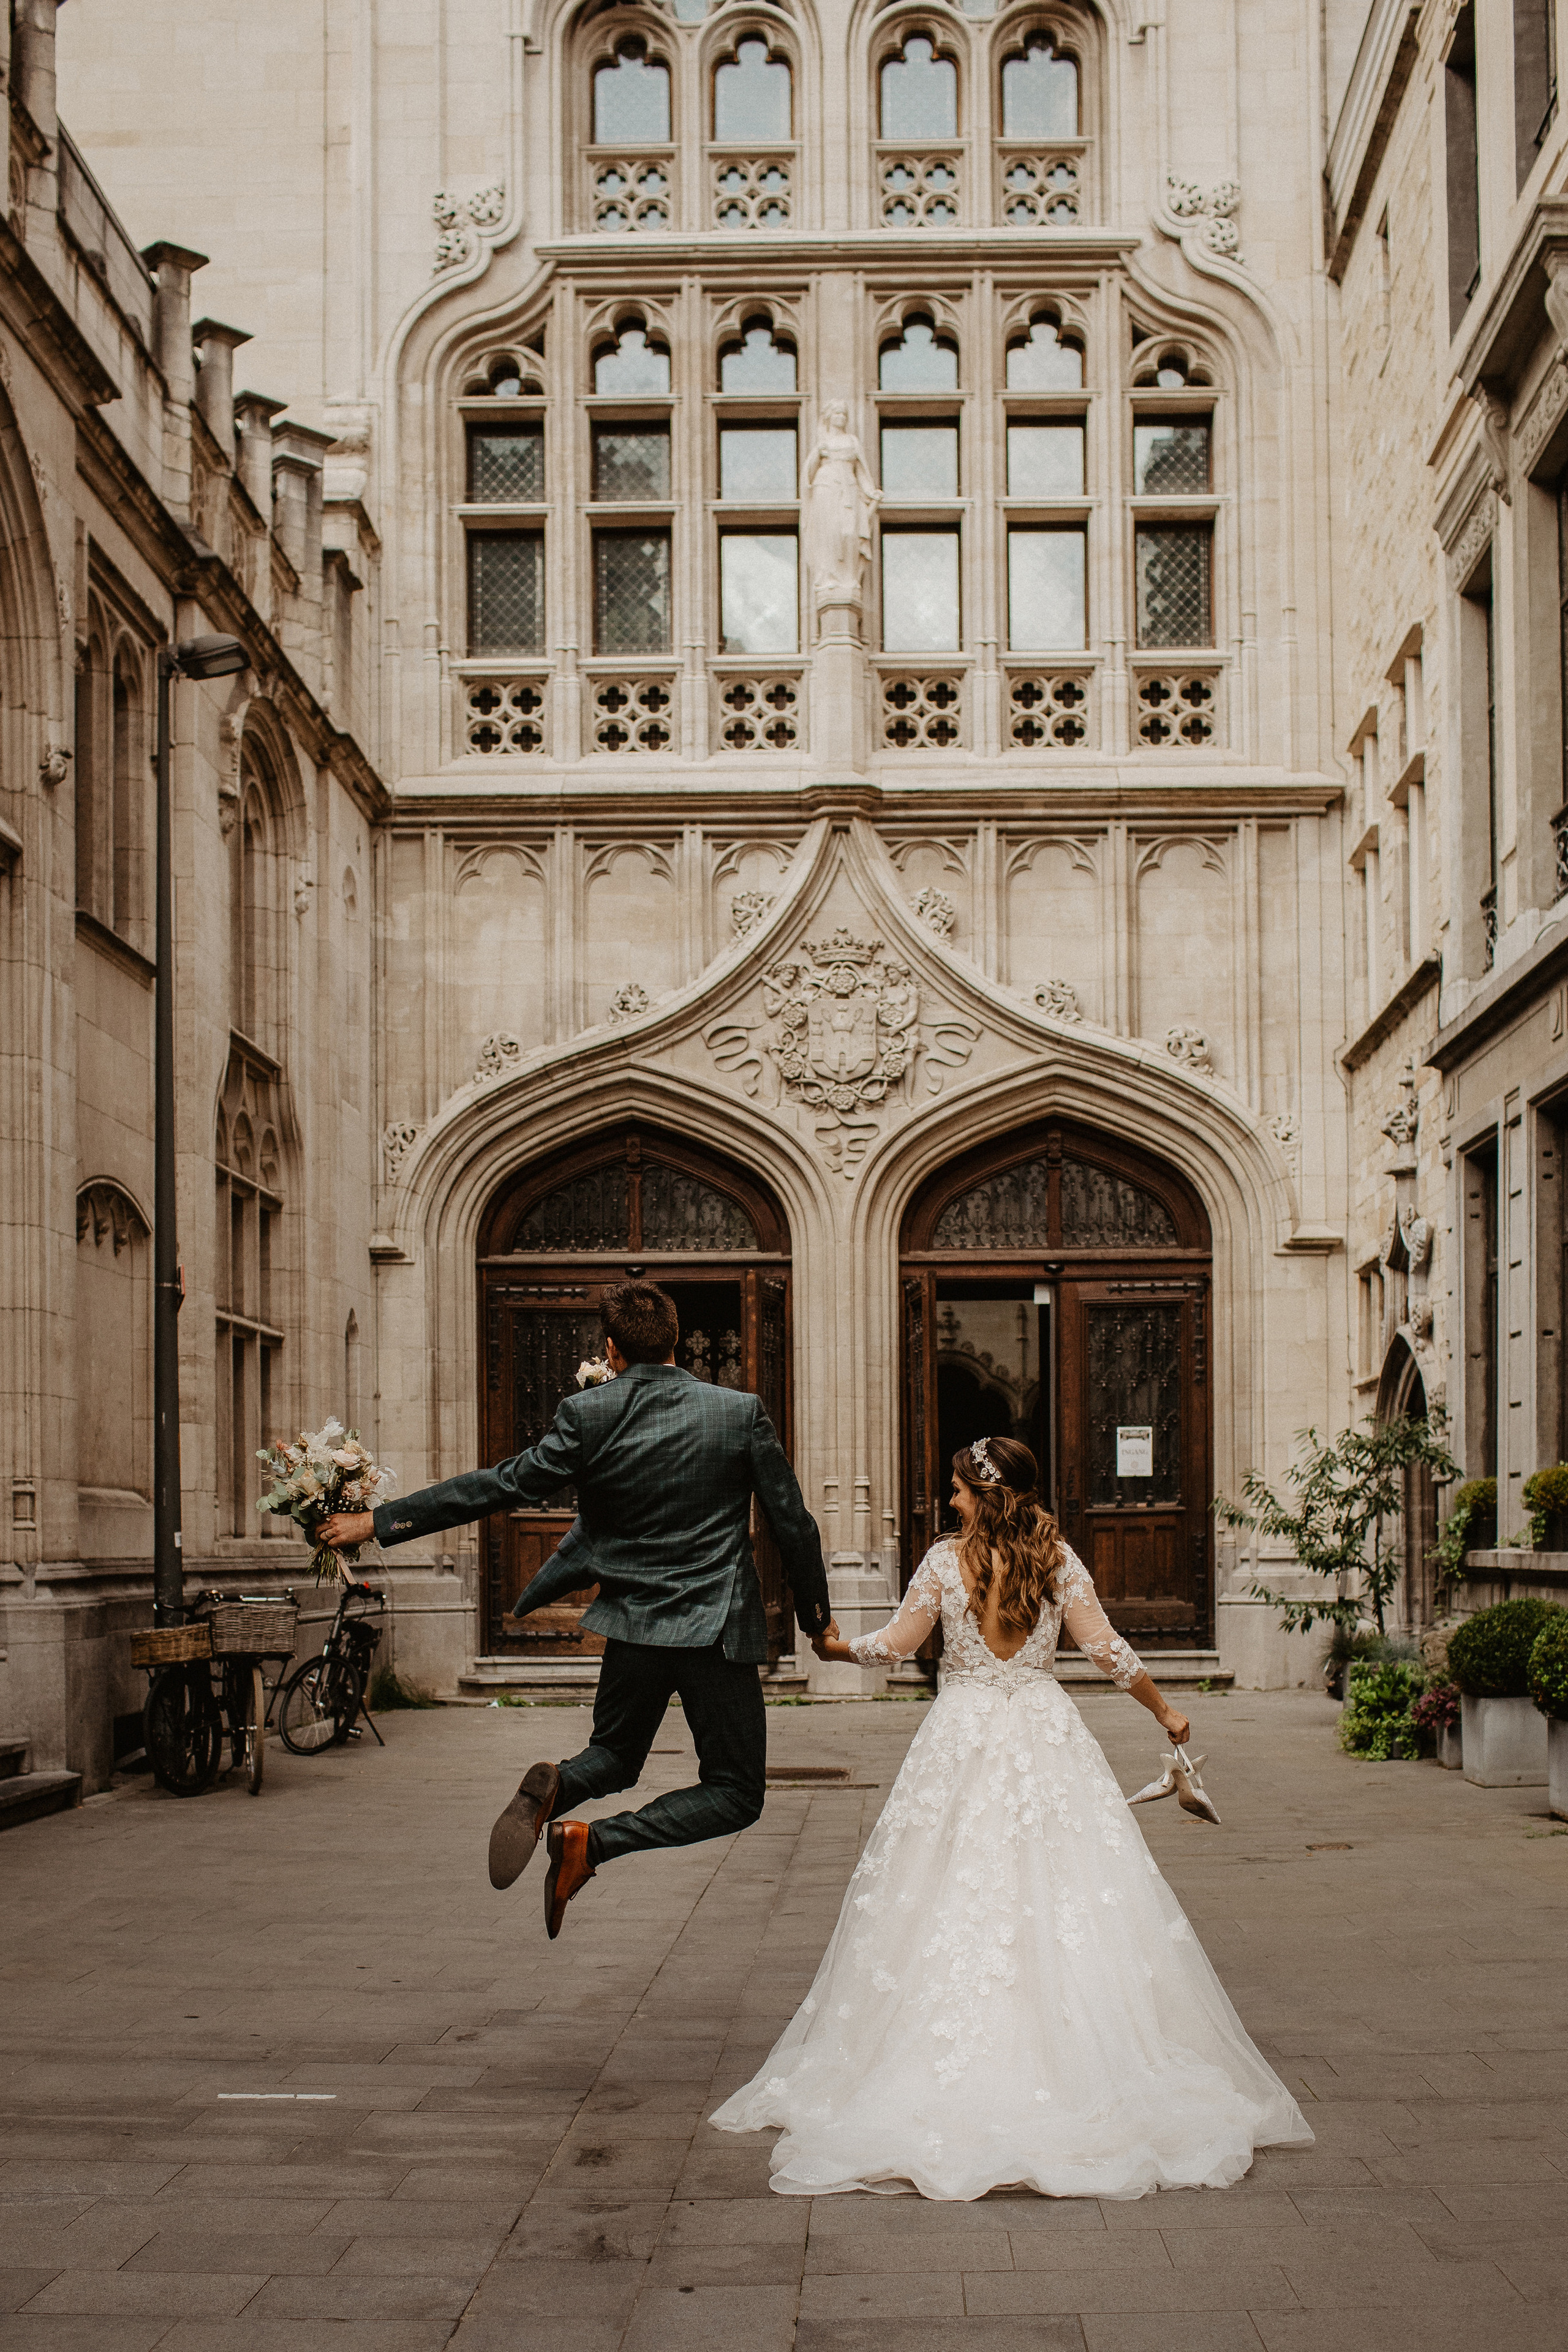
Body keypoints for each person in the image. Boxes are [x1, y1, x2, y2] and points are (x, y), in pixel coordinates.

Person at [710, 1435, 1313, 2199]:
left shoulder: (943, 1562)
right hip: (1042, 1730)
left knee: (944, 1881)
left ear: (985, 1495)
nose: (950, 1499)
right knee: (1068, 1885)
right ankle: (1079, 2051)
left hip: (959, 1734)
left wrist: (834, 1649)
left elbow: (895, 1645)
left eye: (959, 1489)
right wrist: (1165, 1711)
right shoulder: (1056, 1559)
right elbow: (1106, 1650)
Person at [319, 1281, 833, 1938]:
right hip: (715, 1630)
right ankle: (591, 1842)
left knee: (614, 1757)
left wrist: (377, 1522)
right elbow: (793, 1523)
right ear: (676, 1339)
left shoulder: (588, 1414)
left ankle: (556, 1786)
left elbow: (500, 1484)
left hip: (633, 1626)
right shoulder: (738, 1412)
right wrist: (815, 1618)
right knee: (735, 1792)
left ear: (611, 1350)